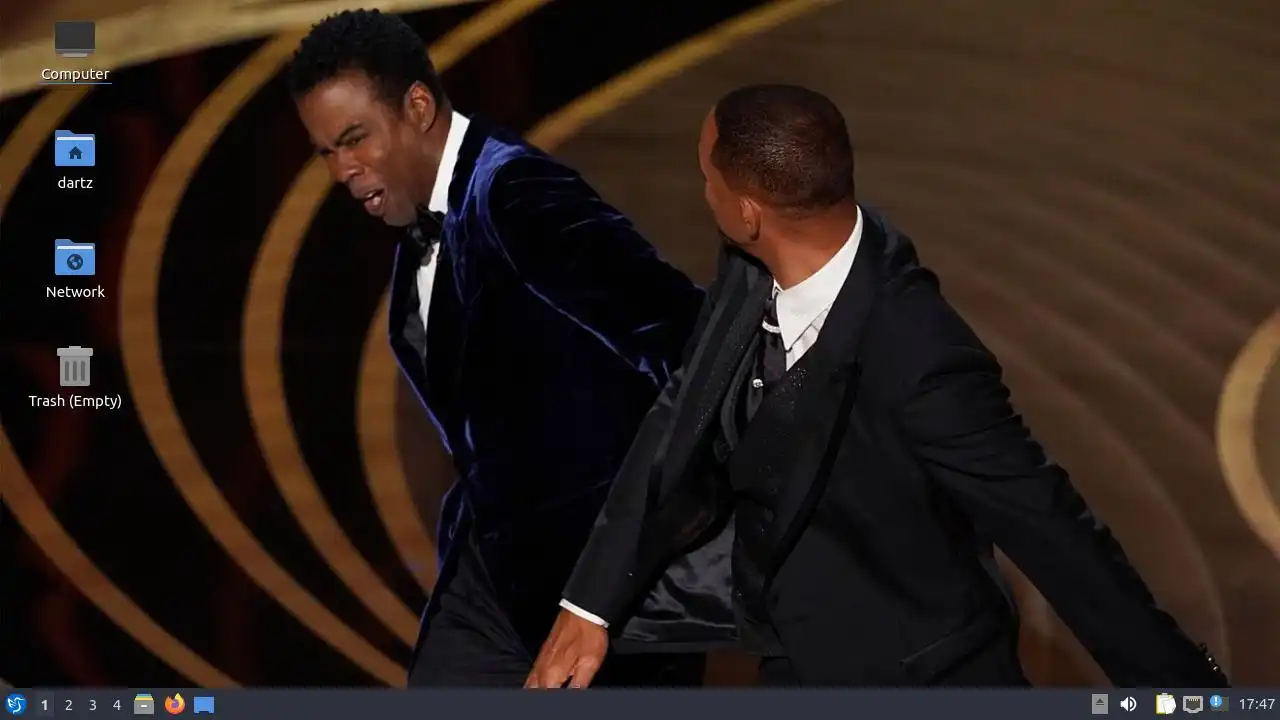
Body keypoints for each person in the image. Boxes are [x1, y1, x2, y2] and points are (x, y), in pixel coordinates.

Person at [526, 84, 1231, 688]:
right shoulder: (749, 264)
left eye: (707, 175)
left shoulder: (923, 358)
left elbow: (1054, 531)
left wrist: (1187, 695)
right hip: (789, 651)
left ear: (747, 212)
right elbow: (686, 407)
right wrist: (589, 605)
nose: (702, 188)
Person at [287, 9, 707, 686]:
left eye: (354, 139)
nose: (342, 170)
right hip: (490, 578)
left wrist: (625, 571)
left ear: (418, 106)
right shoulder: (419, 239)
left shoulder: (516, 192)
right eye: (326, 152)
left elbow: (683, 335)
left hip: (601, 598)